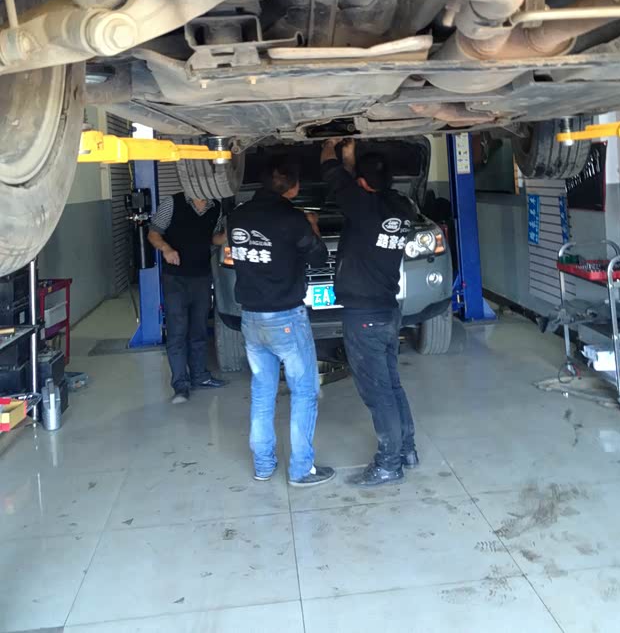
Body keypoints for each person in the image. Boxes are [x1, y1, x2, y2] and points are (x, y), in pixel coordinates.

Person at [231, 155, 335, 487]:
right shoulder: (292, 219)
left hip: (251, 319)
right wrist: (312, 225)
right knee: (304, 391)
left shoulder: (237, 216)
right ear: (293, 187)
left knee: (262, 392)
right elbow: (319, 258)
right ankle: (301, 469)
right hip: (286, 318)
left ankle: (263, 466)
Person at [321, 137, 418, 487]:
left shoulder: (361, 207)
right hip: (388, 311)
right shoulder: (402, 207)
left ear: (361, 183)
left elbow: (329, 169)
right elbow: (353, 188)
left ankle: (389, 464)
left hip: (364, 317)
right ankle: (407, 450)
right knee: (391, 385)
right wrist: (351, 160)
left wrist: (332, 145)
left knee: (378, 394)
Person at [148, 192, 228, 404]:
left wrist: (226, 236)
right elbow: (153, 233)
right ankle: (180, 385)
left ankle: (200, 376)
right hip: (175, 279)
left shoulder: (215, 207)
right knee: (177, 332)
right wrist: (166, 248)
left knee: (199, 330)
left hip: (202, 277)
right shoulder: (172, 203)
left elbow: (211, 238)